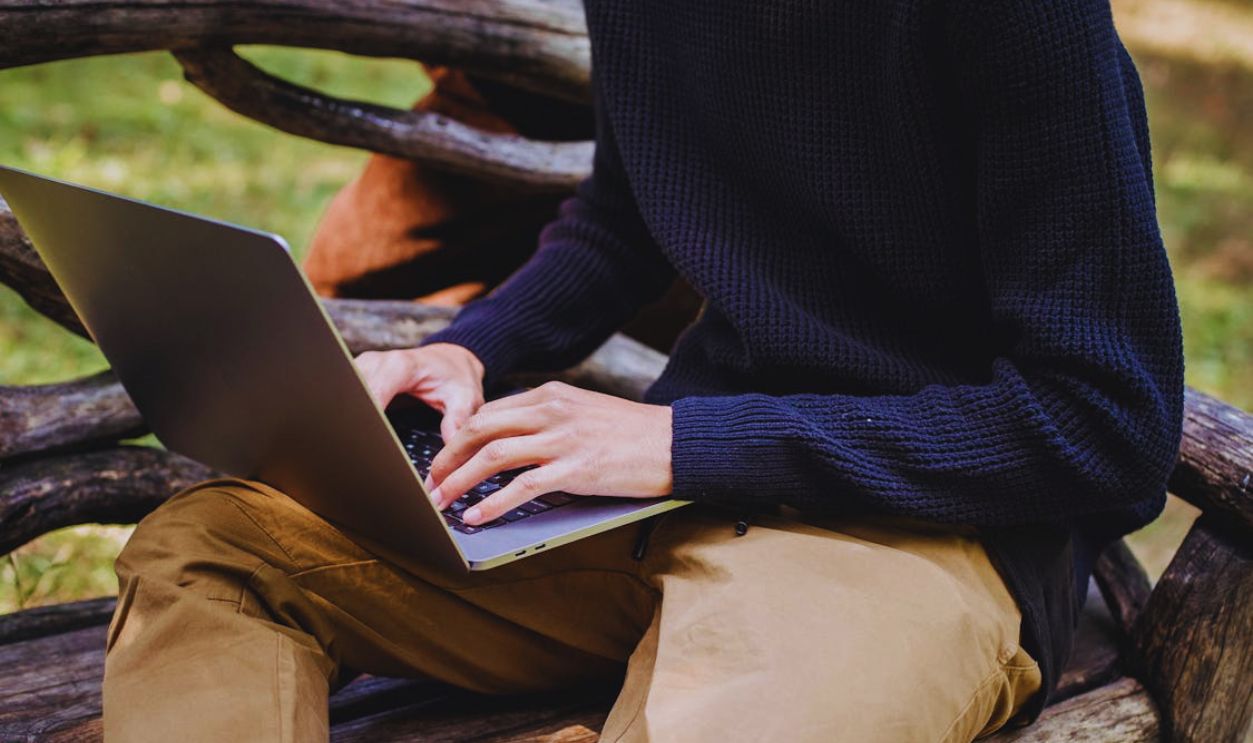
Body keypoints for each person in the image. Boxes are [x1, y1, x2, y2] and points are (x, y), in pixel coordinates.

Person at [102, 1, 1184, 741]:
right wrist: (467, 347)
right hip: (663, 502)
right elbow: (623, 220)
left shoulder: (1023, 22)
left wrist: (676, 440)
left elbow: (1104, 424)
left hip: (913, 538)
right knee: (215, 546)